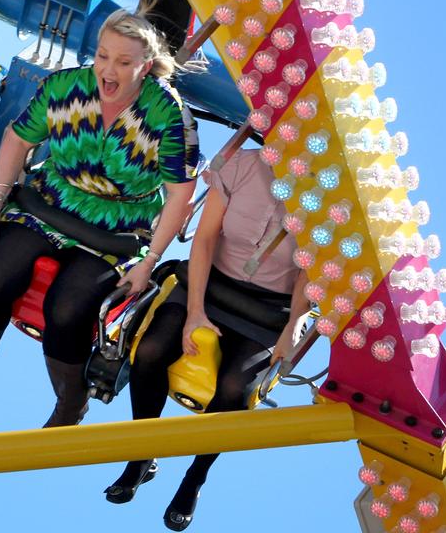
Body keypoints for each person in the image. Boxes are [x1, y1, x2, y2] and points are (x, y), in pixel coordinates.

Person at [0, 8, 201, 436]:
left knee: (68, 309)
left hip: (116, 227)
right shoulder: (66, 86)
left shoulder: (168, 115)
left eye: (124, 62)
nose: (109, 69)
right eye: (103, 56)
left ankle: (70, 402)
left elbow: (180, 193)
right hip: (50, 201)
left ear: (145, 65)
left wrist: (150, 259)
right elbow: (17, 138)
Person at [102, 147, 310, 531]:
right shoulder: (246, 165)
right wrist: (194, 310)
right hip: (209, 282)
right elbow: (205, 238)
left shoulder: (328, 196)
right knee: (150, 350)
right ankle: (141, 455)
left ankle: (195, 476)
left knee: (235, 389)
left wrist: (292, 326)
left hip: (267, 308)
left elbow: (308, 274)